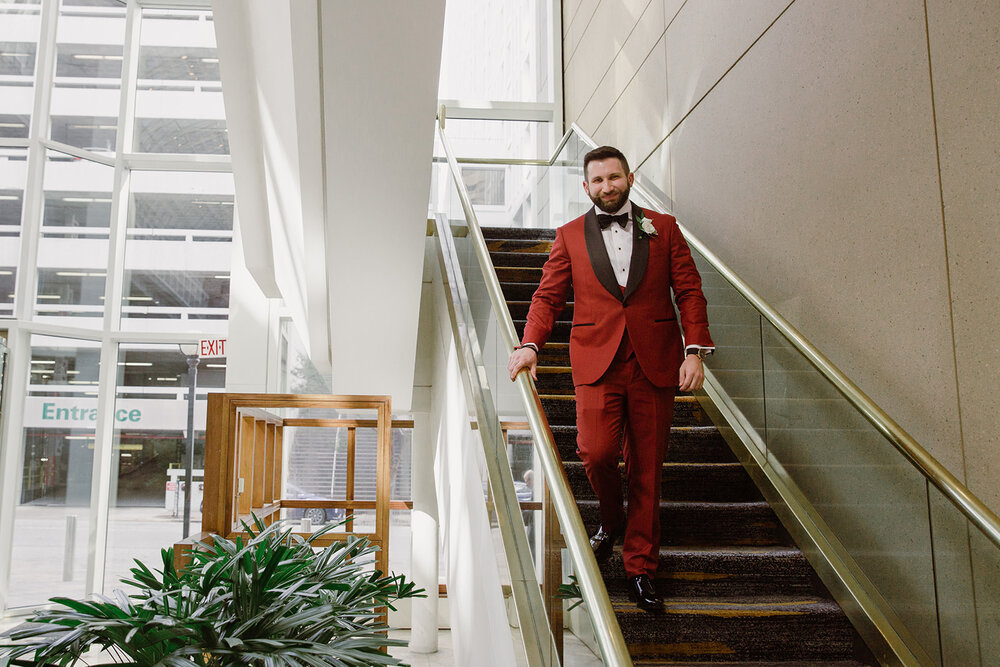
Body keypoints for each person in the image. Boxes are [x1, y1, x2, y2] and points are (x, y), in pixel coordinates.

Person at [506, 146, 714, 612]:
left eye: (614, 177)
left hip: (655, 363)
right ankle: (611, 518)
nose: (607, 186)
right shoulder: (569, 237)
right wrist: (530, 343)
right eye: (597, 180)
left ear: (630, 178)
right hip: (597, 363)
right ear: (585, 187)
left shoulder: (663, 228)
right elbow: (547, 296)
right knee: (596, 453)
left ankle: (641, 568)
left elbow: (689, 289)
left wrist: (694, 350)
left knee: (646, 469)